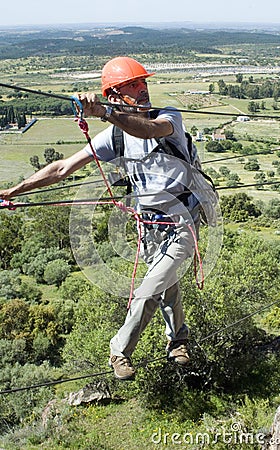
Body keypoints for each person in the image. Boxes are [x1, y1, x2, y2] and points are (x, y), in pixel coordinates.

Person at [0, 56, 201, 380]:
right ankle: (178, 339)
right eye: (131, 86)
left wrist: (105, 113)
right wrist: (17, 189)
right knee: (168, 284)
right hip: (148, 228)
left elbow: (148, 130)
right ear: (115, 95)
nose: (142, 90)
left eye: (142, 83)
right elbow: (63, 168)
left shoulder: (168, 119)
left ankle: (119, 350)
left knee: (149, 289)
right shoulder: (114, 138)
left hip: (182, 222)